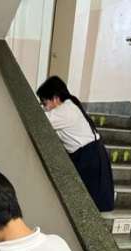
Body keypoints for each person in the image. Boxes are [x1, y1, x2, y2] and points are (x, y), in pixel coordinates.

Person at [37, 75, 115, 212]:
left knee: (92, 203)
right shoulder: (69, 107)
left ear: (55, 98)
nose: (45, 108)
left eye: (44, 103)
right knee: (89, 201)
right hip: (89, 155)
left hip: (90, 157)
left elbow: (39, 120)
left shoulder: (66, 111)